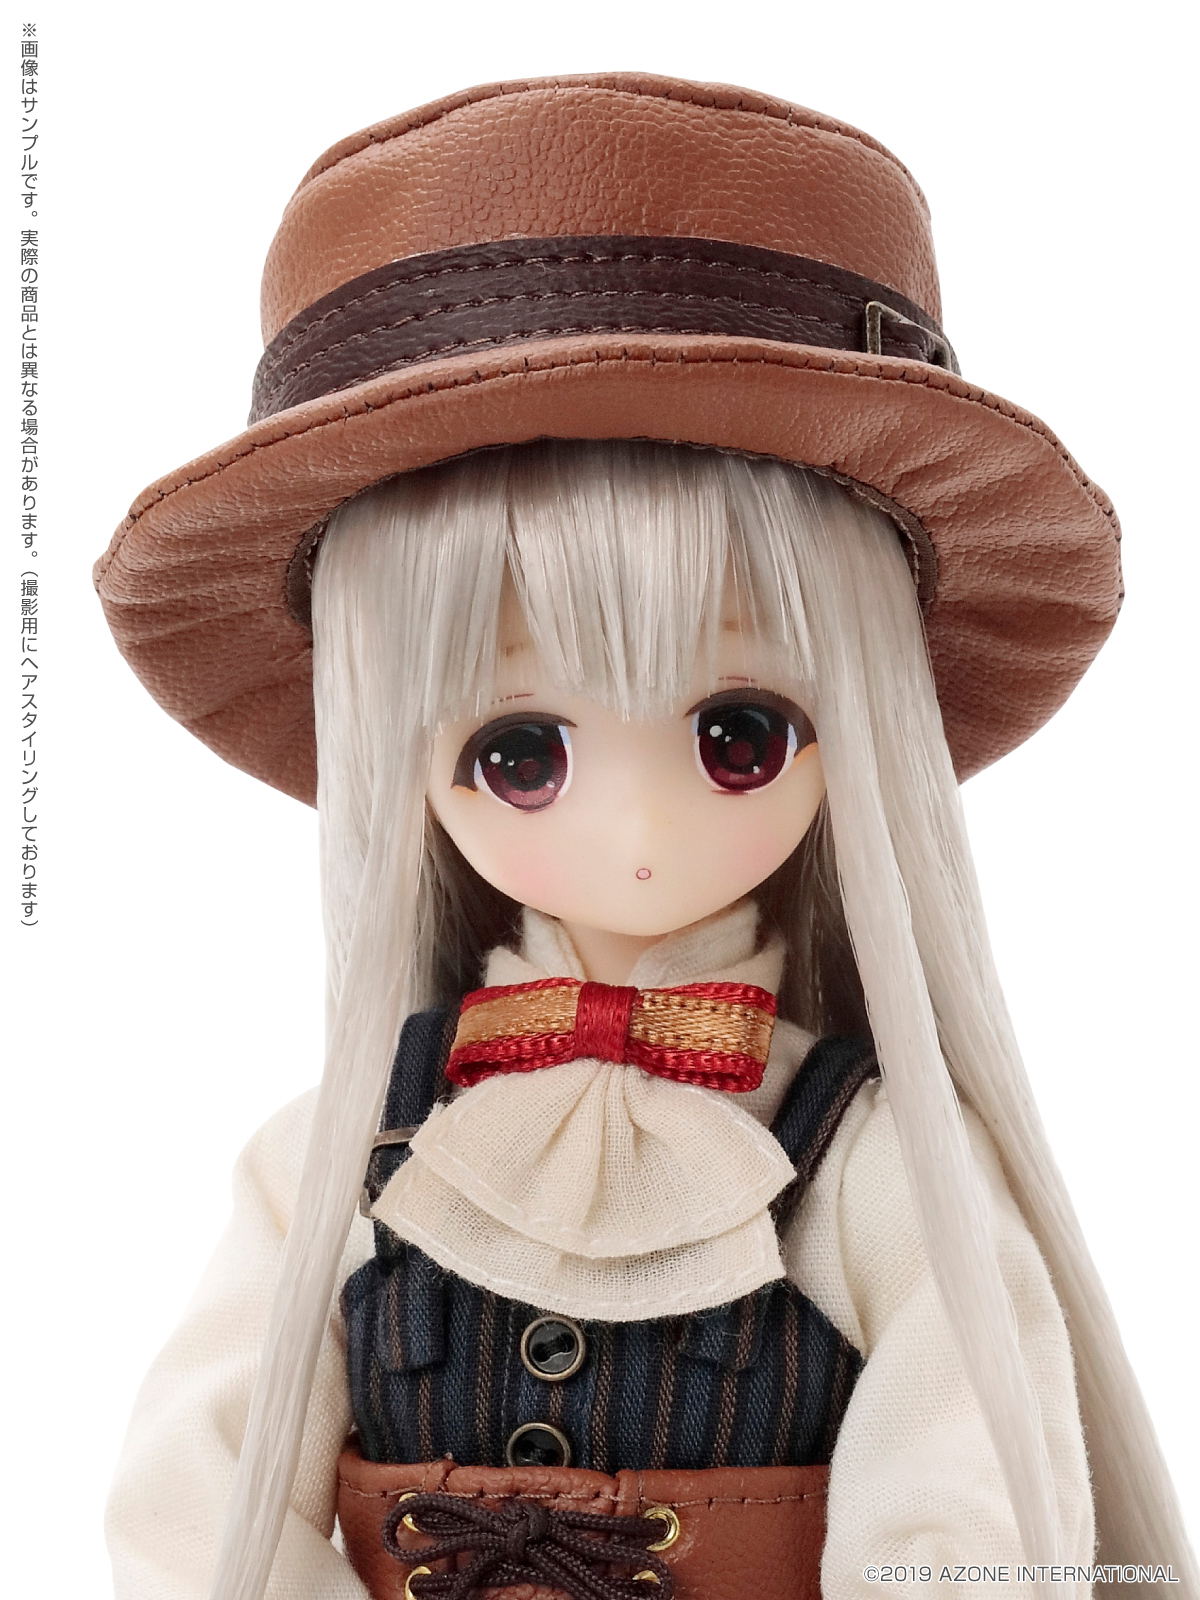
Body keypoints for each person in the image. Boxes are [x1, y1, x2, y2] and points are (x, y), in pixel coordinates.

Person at [95, 74, 1197, 1600]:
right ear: (398, 760)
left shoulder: (872, 1161)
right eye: (520, 753)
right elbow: (193, 1511)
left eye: (737, 734)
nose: (635, 829)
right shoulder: (341, 1159)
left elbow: (966, 1512)